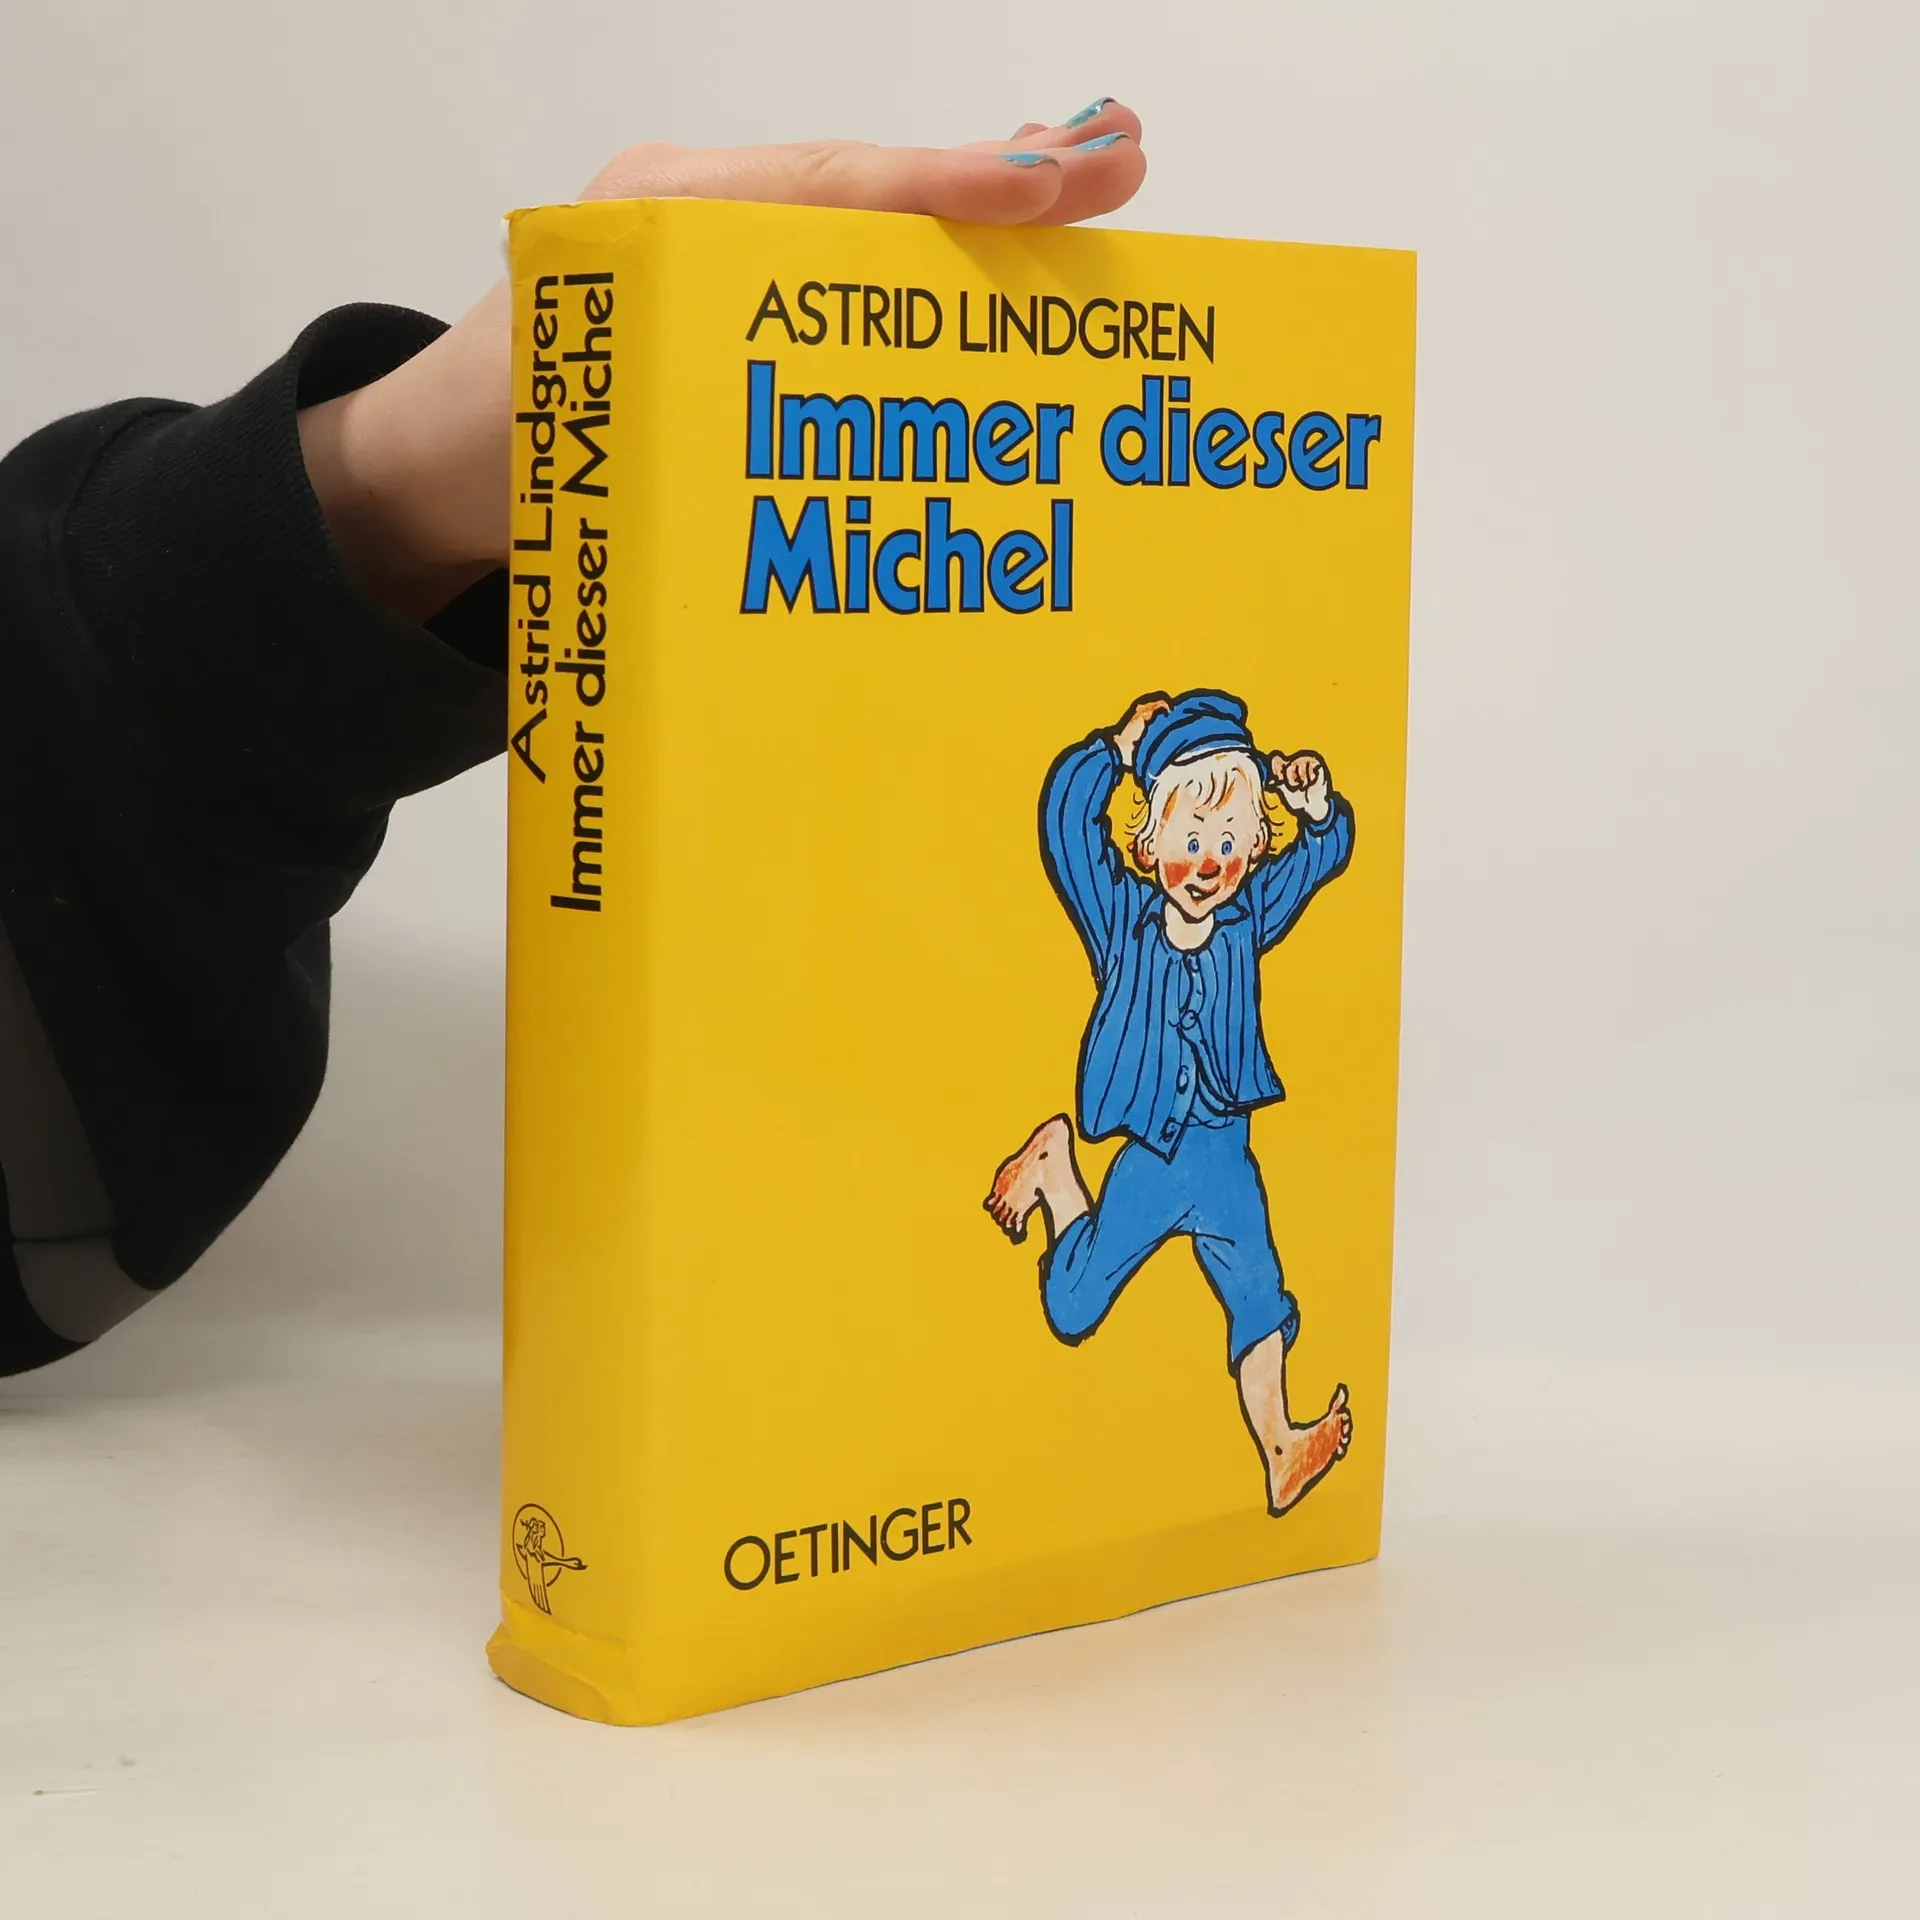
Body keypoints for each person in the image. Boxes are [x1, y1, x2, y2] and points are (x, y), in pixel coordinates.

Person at [0, 105, 1149, 1378]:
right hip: (1120, 1135)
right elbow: (46, 1228)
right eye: (1201, 816)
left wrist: (381, 487)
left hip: (1201, 1136)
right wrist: (1119, 758)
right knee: (1085, 1296)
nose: (1219, 844)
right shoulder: (1132, 897)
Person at [983, 690, 1355, 1516]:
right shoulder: (1121, 919)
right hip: (1154, 1159)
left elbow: (1323, 854)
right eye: (1190, 842)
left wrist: (1316, 808)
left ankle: (1280, 1449)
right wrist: (1115, 750)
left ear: (1253, 845)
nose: (1208, 864)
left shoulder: (1248, 916)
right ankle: (1053, 1168)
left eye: (1226, 843)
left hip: (1225, 1156)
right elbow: (1066, 823)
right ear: (1150, 844)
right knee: (1072, 1307)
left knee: (1258, 1293)